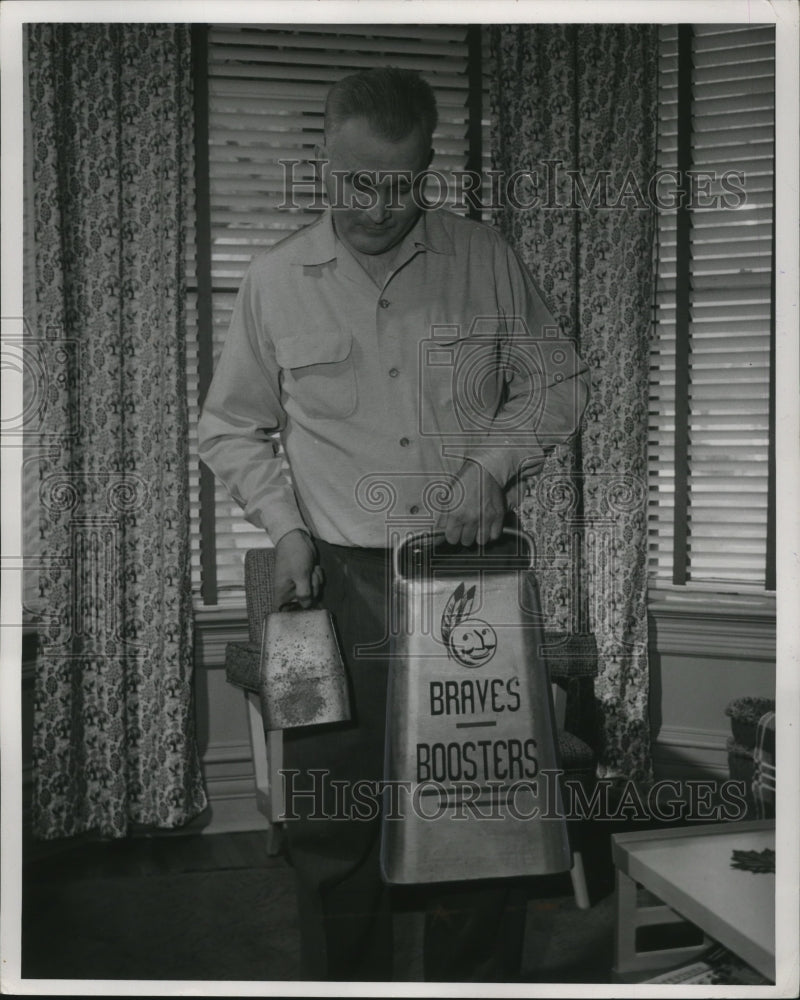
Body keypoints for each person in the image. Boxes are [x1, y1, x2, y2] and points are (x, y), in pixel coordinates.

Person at [198, 67, 590, 982]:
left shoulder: (485, 257)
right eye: (357, 181)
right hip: (329, 587)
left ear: (430, 169)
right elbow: (229, 427)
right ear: (323, 165)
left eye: (403, 183)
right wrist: (285, 528)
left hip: (471, 582)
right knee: (332, 825)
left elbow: (560, 383)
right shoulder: (274, 280)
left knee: (478, 818)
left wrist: (493, 465)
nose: (379, 204)